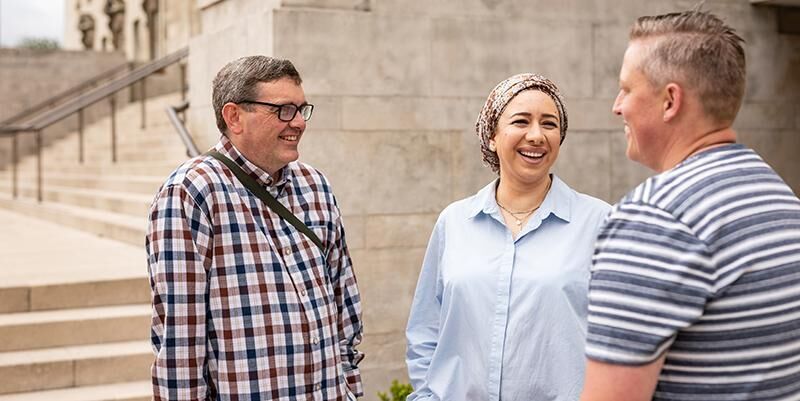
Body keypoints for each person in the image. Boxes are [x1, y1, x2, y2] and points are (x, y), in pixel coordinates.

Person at [580, 9, 800, 401]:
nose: (617, 106)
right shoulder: (779, 197)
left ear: (670, 101)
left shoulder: (654, 218)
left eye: (627, 89)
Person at [146, 56, 364, 400]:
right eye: (283, 110)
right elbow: (180, 343)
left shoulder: (316, 185)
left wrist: (350, 387)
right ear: (234, 116)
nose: (298, 123)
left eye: (301, 109)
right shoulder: (191, 191)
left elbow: (344, 303)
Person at [405, 73, 611, 401]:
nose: (536, 136)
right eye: (521, 121)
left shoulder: (600, 222)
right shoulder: (454, 222)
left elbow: (621, 340)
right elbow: (425, 332)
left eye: (549, 124)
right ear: (491, 136)